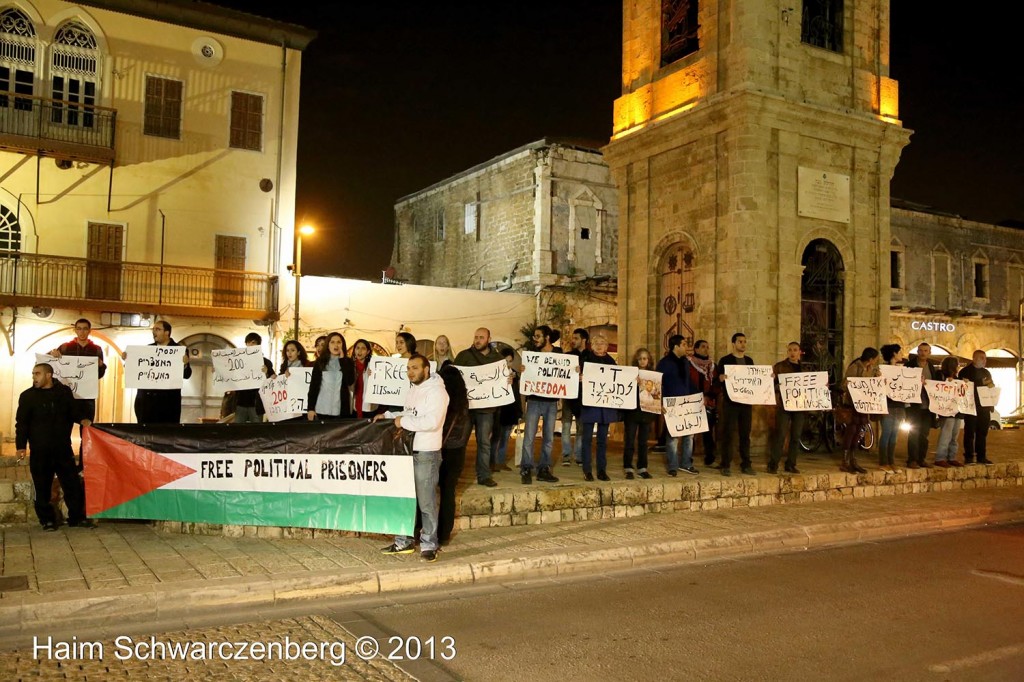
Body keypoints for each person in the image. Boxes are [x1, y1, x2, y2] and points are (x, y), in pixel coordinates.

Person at [376, 354, 448, 562]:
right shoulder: (413, 390)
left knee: (427, 502)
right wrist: (389, 416)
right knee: (405, 499)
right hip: (407, 451)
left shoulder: (437, 392)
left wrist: (402, 421)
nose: (411, 371)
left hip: (426, 452)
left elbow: (431, 422)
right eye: (408, 368)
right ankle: (403, 541)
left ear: (427, 369)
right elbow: (409, 413)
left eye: (415, 367)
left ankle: (429, 544)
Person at [16, 364, 96, 530]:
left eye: (37, 374)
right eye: (33, 374)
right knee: (42, 486)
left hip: (62, 449)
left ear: (48, 375)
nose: (34, 377)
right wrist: (21, 446)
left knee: (72, 484)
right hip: (40, 450)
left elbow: (73, 411)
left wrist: (82, 419)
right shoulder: (27, 396)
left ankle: (77, 517)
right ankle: (47, 520)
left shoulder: (63, 393)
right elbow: (22, 424)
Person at [49, 317, 107, 522]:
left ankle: (83, 463)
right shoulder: (65, 346)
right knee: (63, 431)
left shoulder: (97, 349)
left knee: (87, 433)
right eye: (79, 329)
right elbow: (51, 364)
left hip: (87, 397)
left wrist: (101, 366)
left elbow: (100, 373)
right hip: (67, 397)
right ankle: (64, 462)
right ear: (75, 330)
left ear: (89, 331)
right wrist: (53, 355)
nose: (82, 332)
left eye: (85, 329)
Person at [454, 328, 500, 487]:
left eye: (481, 337)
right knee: (460, 442)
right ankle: (454, 475)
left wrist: (509, 379)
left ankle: (484, 476)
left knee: (484, 443)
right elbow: (453, 377)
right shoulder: (463, 356)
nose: (478, 340)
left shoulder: (497, 358)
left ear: (489, 339)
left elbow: (502, 379)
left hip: (486, 409)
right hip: (466, 409)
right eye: (476, 337)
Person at [519, 325, 560, 484]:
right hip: (535, 399)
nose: (534, 339)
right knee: (529, 436)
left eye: (538, 336)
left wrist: (574, 369)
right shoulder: (532, 354)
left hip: (551, 401)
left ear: (547, 337)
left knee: (549, 437)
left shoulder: (558, 354)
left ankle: (544, 468)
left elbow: (565, 373)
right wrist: (523, 370)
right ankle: (526, 467)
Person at [132, 320, 192, 424]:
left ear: (167, 332)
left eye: (158, 329)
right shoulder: (147, 349)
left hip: (168, 403)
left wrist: (185, 365)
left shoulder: (179, 350)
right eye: (153, 329)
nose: (154, 332)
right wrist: (129, 361)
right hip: (147, 403)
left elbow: (187, 375)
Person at [579, 335, 621, 481]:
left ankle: (602, 470)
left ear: (607, 346)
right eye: (596, 343)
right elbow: (576, 378)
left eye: (602, 343)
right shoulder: (585, 361)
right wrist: (579, 377)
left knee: (603, 439)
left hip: (605, 406)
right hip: (590, 405)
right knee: (587, 439)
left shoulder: (611, 362)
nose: (599, 345)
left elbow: (619, 380)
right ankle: (587, 470)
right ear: (591, 345)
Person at [437, 362, 471, 546]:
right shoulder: (464, 405)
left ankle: (426, 530)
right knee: (448, 493)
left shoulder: (443, 402)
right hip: (457, 454)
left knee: (431, 493)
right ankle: (444, 535)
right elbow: (464, 434)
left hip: (441, 451)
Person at [715, 332, 755, 476]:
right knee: (728, 433)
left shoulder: (749, 361)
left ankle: (746, 464)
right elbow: (716, 380)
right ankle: (726, 464)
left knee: (745, 434)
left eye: (745, 341)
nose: (743, 344)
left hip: (746, 403)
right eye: (740, 342)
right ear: (733, 344)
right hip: (730, 403)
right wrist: (720, 378)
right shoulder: (725, 360)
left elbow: (754, 379)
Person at [656, 335, 697, 476]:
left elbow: (688, 382)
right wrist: (659, 402)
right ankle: (672, 465)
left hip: (686, 403)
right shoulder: (664, 363)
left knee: (689, 435)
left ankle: (686, 463)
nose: (686, 347)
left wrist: (698, 396)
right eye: (684, 344)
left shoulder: (685, 362)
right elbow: (657, 384)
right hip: (671, 403)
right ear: (676, 346)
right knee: (672, 436)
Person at [840, 347, 881, 474]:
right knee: (851, 430)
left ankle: (853, 459)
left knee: (859, 430)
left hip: (864, 404)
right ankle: (845, 460)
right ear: (870, 359)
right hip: (853, 404)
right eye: (875, 359)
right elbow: (845, 384)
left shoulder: (872, 369)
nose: (876, 361)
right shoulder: (855, 367)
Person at [769, 342, 805, 475]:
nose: (792, 352)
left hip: (800, 406)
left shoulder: (805, 368)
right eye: (790, 350)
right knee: (780, 434)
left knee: (796, 436)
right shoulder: (779, 367)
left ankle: (791, 464)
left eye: (795, 350)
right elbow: (771, 386)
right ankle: (773, 464)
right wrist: (780, 385)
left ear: (799, 352)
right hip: (784, 405)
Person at [623, 347, 658, 479]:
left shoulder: (653, 375)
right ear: (636, 360)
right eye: (640, 359)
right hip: (632, 410)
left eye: (645, 358)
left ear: (648, 360)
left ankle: (642, 467)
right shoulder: (631, 373)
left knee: (643, 441)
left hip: (647, 411)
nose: (642, 361)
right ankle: (628, 467)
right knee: (630, 440)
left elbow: (656, 394)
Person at [307, 332, 355, 420]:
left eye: (339, 342)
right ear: (328, 345)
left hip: (341, 410)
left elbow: (350, 381)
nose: (336, 345)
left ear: (343, 344)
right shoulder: (320, 362)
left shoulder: (348, 362)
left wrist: (342, 360)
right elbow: (313, 386)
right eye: (332, 342)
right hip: (321, 409)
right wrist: (310, 408)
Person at [959, 349, 995, 466]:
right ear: (974, 359)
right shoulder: (965, 372)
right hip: (971, 407)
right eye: (982, 358)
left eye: (985, 358)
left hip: (984, 407)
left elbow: (990, 386)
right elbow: (964, 387)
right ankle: (969, 457)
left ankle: (981, 456)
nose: (985, 361)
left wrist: (991, 387)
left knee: (982, 433)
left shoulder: (986, 372)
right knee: (970, 432)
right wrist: (980, 382)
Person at [905, 343, 937, 469]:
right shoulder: (910, 365)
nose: (923, 353)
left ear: (929, 352)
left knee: (924, 434)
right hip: (914, 406)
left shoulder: (932, 367)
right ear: (917, 352)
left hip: (928, 407)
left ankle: (921, 458)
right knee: (914, 433)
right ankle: (912, 459)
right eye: (921, 350)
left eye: (926, 350)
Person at [233, 332, 275, 424]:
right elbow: (229, 374)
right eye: (248, 343)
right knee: (238, 430)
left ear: (258, 345)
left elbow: (273, 380)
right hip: (241, 402)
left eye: (253, 343)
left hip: (257, 404)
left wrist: (267, 372)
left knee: (256, 431)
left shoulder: (266, 362)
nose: (250, 345)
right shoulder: (238, 361)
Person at [560, 328, 588, 466]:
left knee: (581, 428)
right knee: (566, 427)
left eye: (576, 338)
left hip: (583, 398)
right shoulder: (569, 356)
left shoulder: (590, 356)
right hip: (569, 397)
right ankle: (566, 455)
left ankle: (578, 455)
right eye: (573, 338)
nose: (573, 341)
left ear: (584, 340)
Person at [491, 347, 521, 474]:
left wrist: (519, 412)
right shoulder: (494, 373)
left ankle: (501, 462)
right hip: (498, 411)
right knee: (495, 438)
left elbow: (517, 395)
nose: (507, 364)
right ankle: (492, 463)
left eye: (509, 361)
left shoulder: (514, 374)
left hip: (510, 411)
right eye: (505, 361)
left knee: (505, 438)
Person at [878, 344, 906, 473]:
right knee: (886, 434)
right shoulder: (883, 370)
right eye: (900, 352)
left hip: (899, 406)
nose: (902, 354)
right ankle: (883, 462)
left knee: (894, 435)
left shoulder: (903, 370)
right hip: (887, 406)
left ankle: (891, 462)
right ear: (894, 353)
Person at [690, 339, 717, 466]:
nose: (706, 349)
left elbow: (715, 383)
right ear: (696, 349)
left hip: (708, 402)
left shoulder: (712, 366)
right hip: (692, 400)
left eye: (707, 346)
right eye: (703, 347)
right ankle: (688, 456)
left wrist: (709, 396)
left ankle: (710, 456)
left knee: (708, 430)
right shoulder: (690, 364)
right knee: (690, 431)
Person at [934, 356, 963, 467]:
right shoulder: (940, 375)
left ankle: (952, 457)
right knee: (946, 434)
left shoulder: (957, 377)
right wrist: (947, 382)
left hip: (957, 410)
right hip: (946, 410)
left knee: (954, 435)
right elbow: (937, 387)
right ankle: (940, 457)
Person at [351, 339, 376, 419]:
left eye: (363, 348)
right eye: (357, 348)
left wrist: (375, 374)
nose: (360, 351)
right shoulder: (350, 366)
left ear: (368, 352)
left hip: (369, 407)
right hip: (353, 407)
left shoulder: (373, 366)